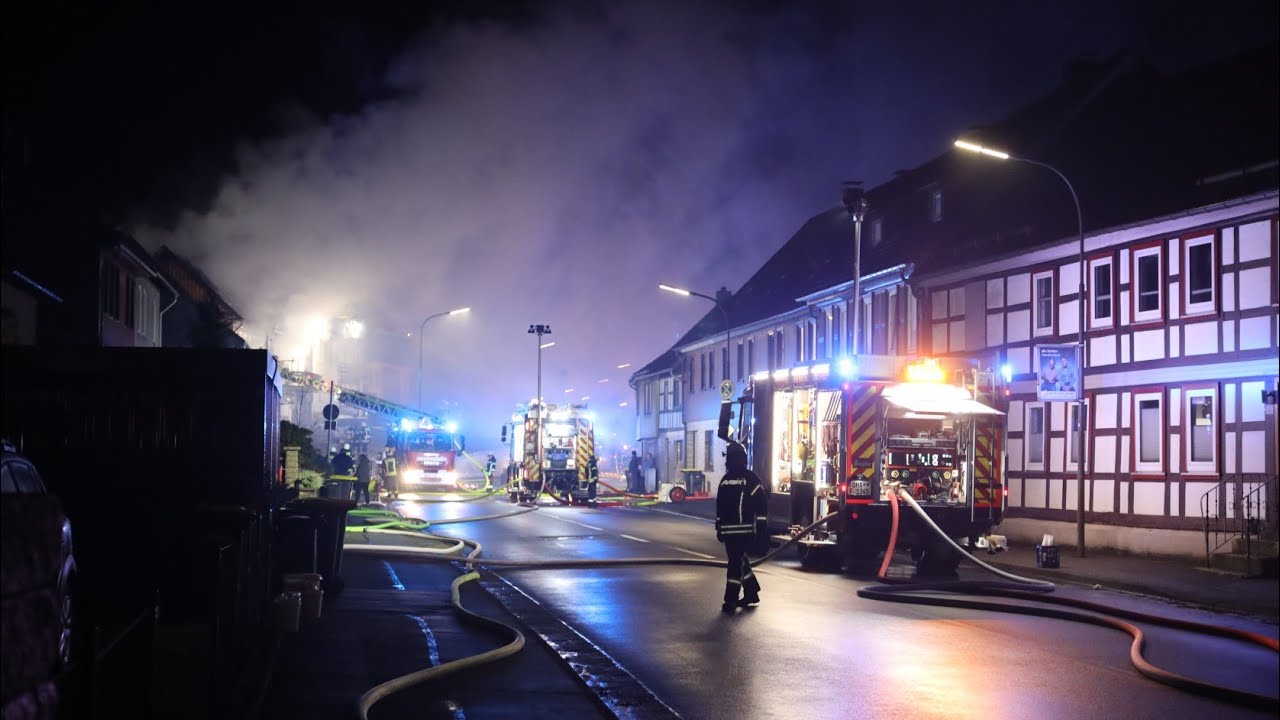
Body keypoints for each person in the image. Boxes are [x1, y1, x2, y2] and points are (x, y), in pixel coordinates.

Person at [715, 441, 767, 614]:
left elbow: (719, 506)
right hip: (743, 531)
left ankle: (731, 599)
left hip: (732, 532)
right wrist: (760, 527)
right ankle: (751, 592)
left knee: (735, 564)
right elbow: (761, 504)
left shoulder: (725, 481)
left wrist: (719, 526)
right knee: (740, 561)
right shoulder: (750, 479)